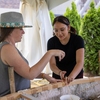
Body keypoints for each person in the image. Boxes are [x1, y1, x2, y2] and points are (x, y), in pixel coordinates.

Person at [0, 12, 65, 96]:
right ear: (11, 30)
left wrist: (44, 75)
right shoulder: (7, 49)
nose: (23, 32)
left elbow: (24, 71)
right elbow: (30, 74)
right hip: (11, 97)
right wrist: (50, 53)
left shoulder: (9, 47)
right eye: (21, 29)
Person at [47, 15, 84, 84]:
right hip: (58, 76)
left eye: (62, 29)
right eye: (56, 30)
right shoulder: (51, 42)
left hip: (76, 75)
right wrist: (60, 72)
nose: (59, 33)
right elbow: (52, 64)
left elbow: (80, 62)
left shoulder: (78, 40)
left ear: (68, 28)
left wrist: (71, 76)